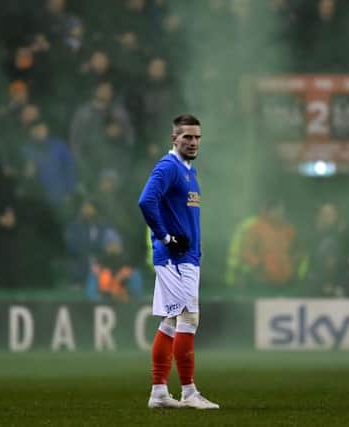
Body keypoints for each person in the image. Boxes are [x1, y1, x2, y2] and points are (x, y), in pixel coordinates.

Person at [137, 114, 219, 410]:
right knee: (188, 318)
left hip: (186, 258)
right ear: (174, 139)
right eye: (187, 137)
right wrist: (166, 237)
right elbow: (146, 200)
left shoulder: (188, 171)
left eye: (197, 137)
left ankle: (159, 392)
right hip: (174, 258)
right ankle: (188, 392)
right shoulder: (169, 167)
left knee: (171, 320)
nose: (193, 142)